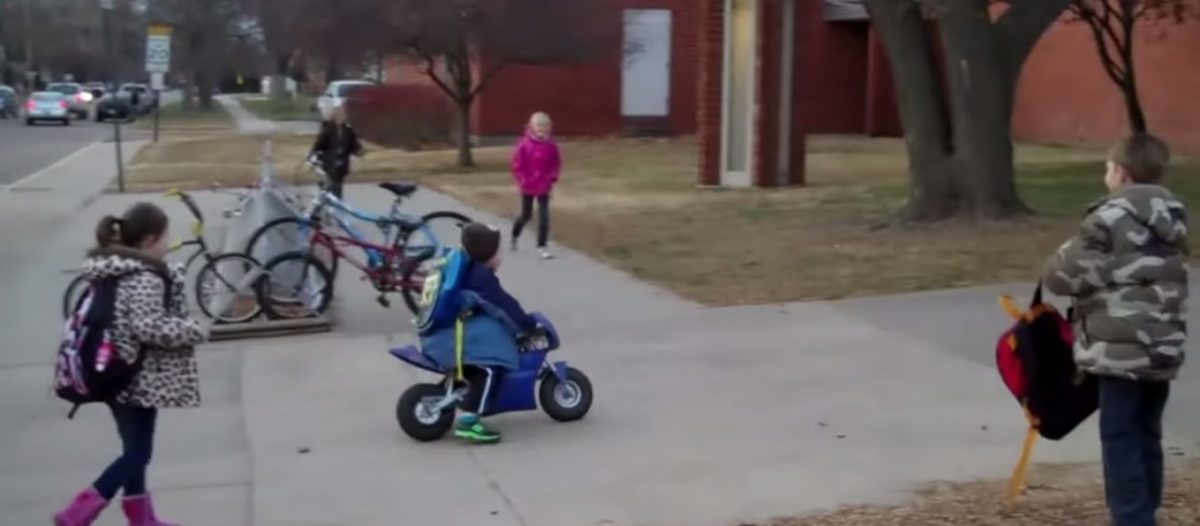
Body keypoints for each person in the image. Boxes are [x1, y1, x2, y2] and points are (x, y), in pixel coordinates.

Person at [1042, 133, 1187, 526]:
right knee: (1146, 432)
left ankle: (1132, 518)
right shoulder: (1172, 217)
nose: (1105, 174)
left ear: (1121, 173)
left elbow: (1061, 276)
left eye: (1108, 168)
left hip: (1120, 350)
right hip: (1162, 346)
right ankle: (1146, 510)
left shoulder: (1107, 219)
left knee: (1120, 436)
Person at [53, 203, 208, 526]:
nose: (168, 243)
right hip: (134, 376)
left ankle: (141, 517)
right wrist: (193, 330)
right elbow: (147, 326)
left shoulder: (112, 269)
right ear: (151, 240)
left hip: (110, 369)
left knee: (135, 448)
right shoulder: (145, 275)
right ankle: (81, 509)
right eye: (166, 236)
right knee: (139, 452)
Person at [421, 223, 538, 443]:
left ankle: (465, 390)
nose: (502, 255)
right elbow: (503, 307)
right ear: (488, 254)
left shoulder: (466, 268)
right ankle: (469, 422)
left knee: (484, 351)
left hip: (440, 334)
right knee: (493, 367)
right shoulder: (480, 279)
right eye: (499, 251)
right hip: (447, 340)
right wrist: (526, 326)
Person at [510, 111, 562, 259]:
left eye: (545, 126)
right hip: (527, 185)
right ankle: (515, 234)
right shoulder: (524, 145)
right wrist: (523, 179)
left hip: (543, 186)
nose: (542, 129)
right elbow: (517, 165)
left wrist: (551, 178)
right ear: (532, 126)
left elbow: (555, 164)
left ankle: (542, 246)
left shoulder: (551, 145)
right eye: (539, 125)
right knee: (526, 215)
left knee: (544, 216)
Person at [309, 104, 363, 199]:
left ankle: (335, 203)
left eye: (342, 114)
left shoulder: (348, 130)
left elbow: (353, 145)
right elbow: (318, 145)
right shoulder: (328, 130)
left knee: (337, 186)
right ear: (334, 116)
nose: (340, 117)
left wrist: (358, 151)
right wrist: (312, 156)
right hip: (329, 163)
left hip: (342, 164)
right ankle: (328, 202)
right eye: (338, 114)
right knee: (331, 184)